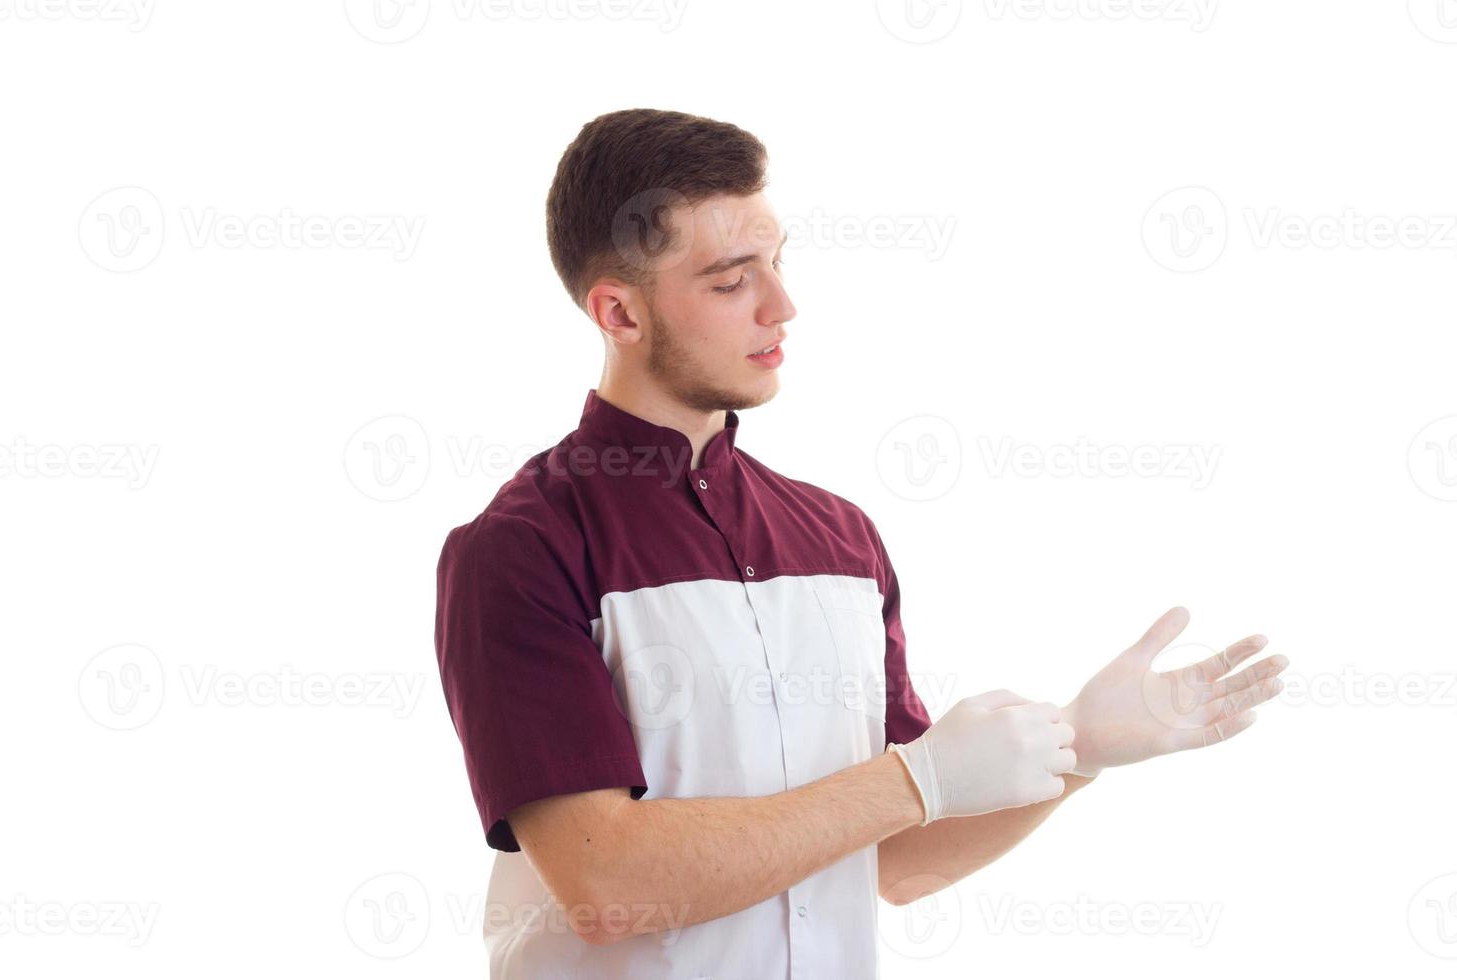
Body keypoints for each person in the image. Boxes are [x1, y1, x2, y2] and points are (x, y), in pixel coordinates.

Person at [433, 107, 1289, 978]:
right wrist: (914, 780)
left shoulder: (839, 539)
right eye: (731, 282)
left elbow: (898, 859)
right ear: (618, 312)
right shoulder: (520, 549)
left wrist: (1079, 748)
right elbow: (606, 880)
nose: (783, 305)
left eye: (776, 260)